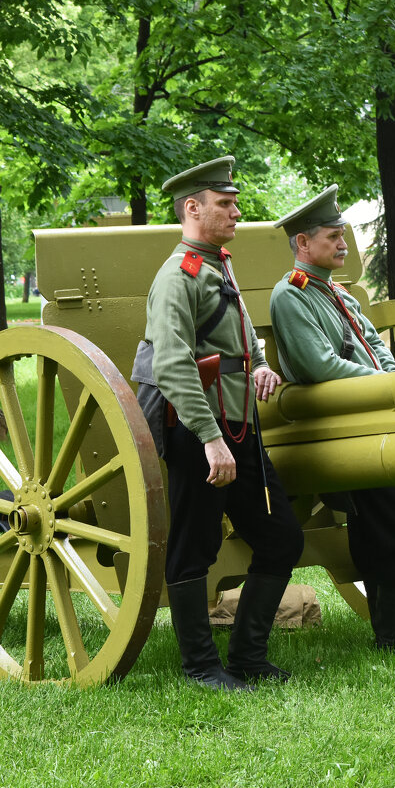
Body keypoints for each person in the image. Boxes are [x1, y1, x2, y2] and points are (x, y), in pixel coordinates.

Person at [135, 156, 304, 690]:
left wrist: (260, 364)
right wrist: (210, 440)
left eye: (234, 203)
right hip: (195, 429)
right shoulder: (176, 276)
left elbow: (238, 331)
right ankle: (201, 667)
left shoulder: (218, 265)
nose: (236, 211)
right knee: (193, 546)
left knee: (281, 538)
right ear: (193, 208)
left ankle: (248, 656)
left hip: (238, 426)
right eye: (224, 204)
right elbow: (172, 363)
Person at [269, 185, 395, 657]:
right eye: (332, 235)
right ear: (304, 244)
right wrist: (384, 386)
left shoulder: (339, 294)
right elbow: (319, 367)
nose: (343, 242)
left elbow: (379, 351)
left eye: (344, 232)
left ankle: (392, 635)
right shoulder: (292, 296)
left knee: (390, 523)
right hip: (329, 430)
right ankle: (393, 637)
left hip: (367, 421)